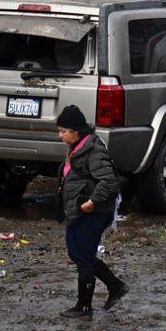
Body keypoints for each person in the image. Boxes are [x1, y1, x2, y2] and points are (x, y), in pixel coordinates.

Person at [55, 104, 128, 318]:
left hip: (94, 212)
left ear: (75, 132)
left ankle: (84, 307)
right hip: (78, 211)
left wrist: (92, 202)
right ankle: (115, 286)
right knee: (76, 252)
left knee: (84, 257)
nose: (60, 135)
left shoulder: (93, 150)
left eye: (63, 131)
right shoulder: (76, 148)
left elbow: (109, 182)